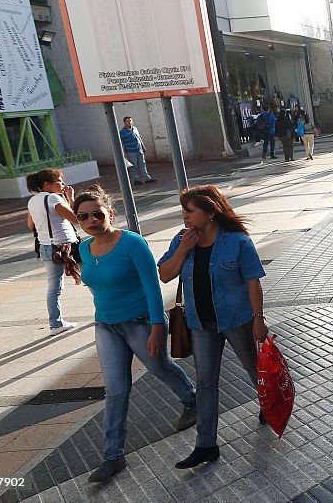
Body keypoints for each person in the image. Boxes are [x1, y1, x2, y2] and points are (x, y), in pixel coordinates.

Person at [73, 185, 197, 483]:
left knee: (160, 368)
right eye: (83, 216)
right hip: (106, 325)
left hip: (141, 322)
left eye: (96, 214)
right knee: (116, 390)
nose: (90, 220)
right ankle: (112, 456)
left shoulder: (132, 244)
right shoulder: (83, 248)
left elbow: (153, 287)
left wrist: (157, 327)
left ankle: (192, 399)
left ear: (110, 214)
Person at [158, 186, 267, 469]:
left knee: (254, 369)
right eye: (183, 210)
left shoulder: (237, 242)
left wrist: (258, 319)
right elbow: (165, 275)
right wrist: (184, 249)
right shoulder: (181, 240)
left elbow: (253, 282)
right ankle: (206, 444)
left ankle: (270, 406)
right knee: (206, 383)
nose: (184, 216)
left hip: (237, 319)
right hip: (200, 324)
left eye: (190, 211)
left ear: (210, 213)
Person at [25, 169, 79, 335]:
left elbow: (30, 225)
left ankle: (55, 324)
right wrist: (71, 198)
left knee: (54, 288)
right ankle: (105, 313)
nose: (63, 185)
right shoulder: (54, 198)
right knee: (91, 277)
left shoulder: (33, 201)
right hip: (65, 246)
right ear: (47, 184)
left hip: (46, 247)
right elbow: (76, 218)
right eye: (59, 181)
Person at [118, 117, 156, 185]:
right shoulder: (122, 132)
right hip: (130, 151)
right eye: (127, 121)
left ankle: (147, 178)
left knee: (143, 164)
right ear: (124, 123)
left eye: (130, 121)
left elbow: (139, 138)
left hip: (139, 150)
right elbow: (121, 142)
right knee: (133, 166)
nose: (129, 122)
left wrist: (143, 146)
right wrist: (122, 152)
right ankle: (135, 180)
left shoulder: (135, 129)